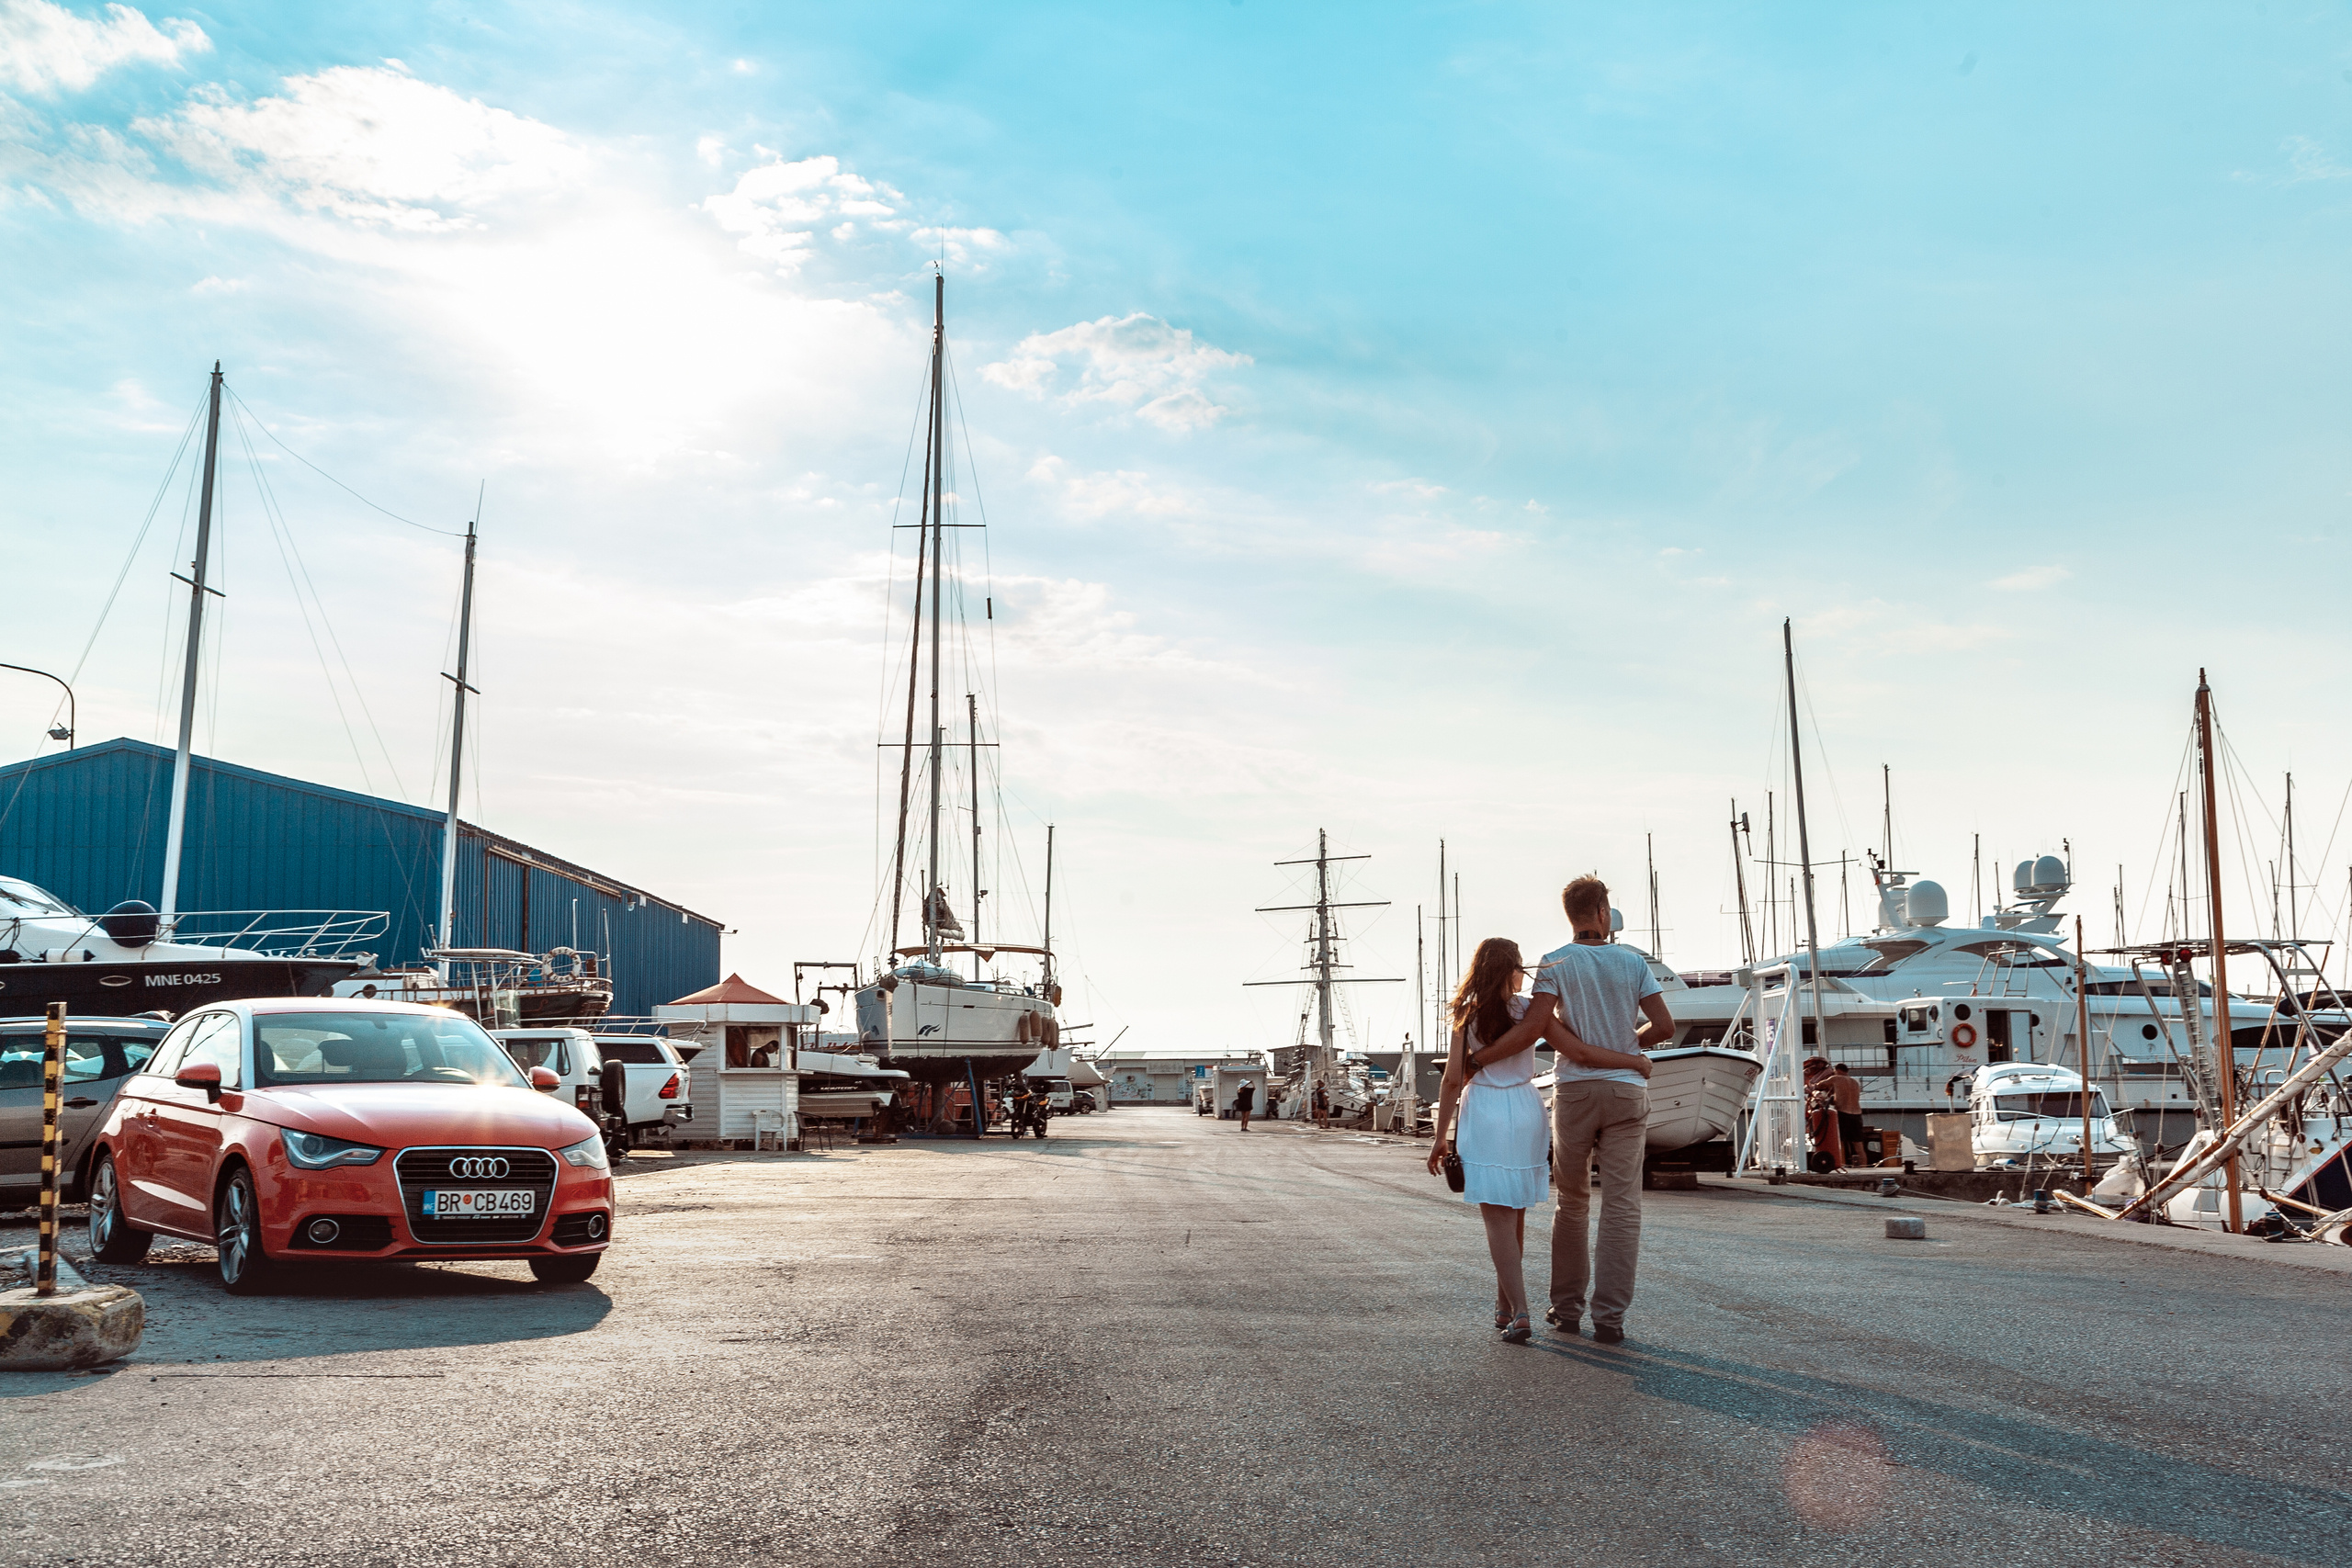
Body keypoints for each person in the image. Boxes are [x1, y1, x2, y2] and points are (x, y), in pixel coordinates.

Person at [1485, 875, 1671, 1345]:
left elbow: (1536, 1024)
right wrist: (1631, 1045)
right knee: (1623, 1206)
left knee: (1572, 1202)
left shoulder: (1554, 962)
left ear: (1571, 916)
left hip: (1576, 1093)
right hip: (1627, 1091)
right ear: (1604, 913)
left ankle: (1566, 1309)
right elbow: (1664, 1025)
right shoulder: (1633, 961)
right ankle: (1610, 1319)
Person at [1426, 937, 1549, 1343]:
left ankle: (1521, 1312)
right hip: (1526, 1107)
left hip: (1485, 1110)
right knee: (1513, 1214)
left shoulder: (1467, 1012)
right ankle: (1503, 1306)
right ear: (1512, 968)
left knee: (1497, 1217)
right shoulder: (1530, 1009)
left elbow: (1451, 1080)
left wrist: (1440, 1136)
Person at [1828, 1063, 1865, 1167]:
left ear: (1837, 1070)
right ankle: (1864, 1166)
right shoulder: (1855, 1082)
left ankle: (1840, 1164)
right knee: (1858, 1144)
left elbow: (1819, 1085)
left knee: (1840, 1142)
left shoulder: (1835, 1078)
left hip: (1843, 1114)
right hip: (1857, 1115)